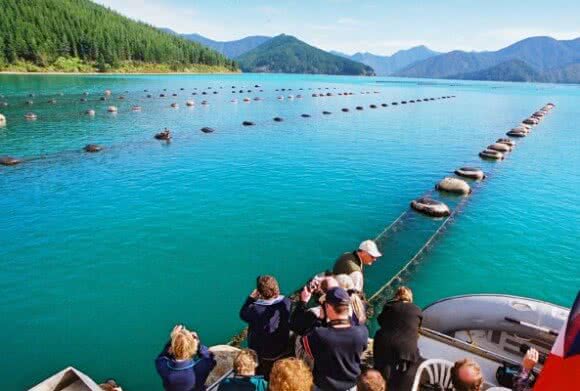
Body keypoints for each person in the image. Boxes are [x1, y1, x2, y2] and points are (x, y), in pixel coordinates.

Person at [300, 287, 369, 391]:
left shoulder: (319, 335)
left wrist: (320, 320)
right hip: (350, 386)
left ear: (328, 307)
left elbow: (304, 341)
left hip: (324, 386)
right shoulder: (362, 332)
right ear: (347, 307)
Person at [240, 275, 292, 379]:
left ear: (259, 292)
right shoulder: (286, 302)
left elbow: (242, 314)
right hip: (281, 349)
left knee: (262, 375)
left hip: (261, 353)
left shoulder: (255, 308)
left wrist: (250, 299)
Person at [373, 287, 422, 391]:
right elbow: (417, 328)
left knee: (383, 365)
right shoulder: (417, 310)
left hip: (386, 344)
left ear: (396, 296)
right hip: (408, 348)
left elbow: (380, 321)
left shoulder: (389, 306)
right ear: (410, 297)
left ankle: (380, 382)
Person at [155, 324, 216, 391]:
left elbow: (163, 355)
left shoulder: (162, 365)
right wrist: (198, 345)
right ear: (193, 348)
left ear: (171, 348)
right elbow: (210, 357)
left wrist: (174, 339)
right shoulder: (201, 366)